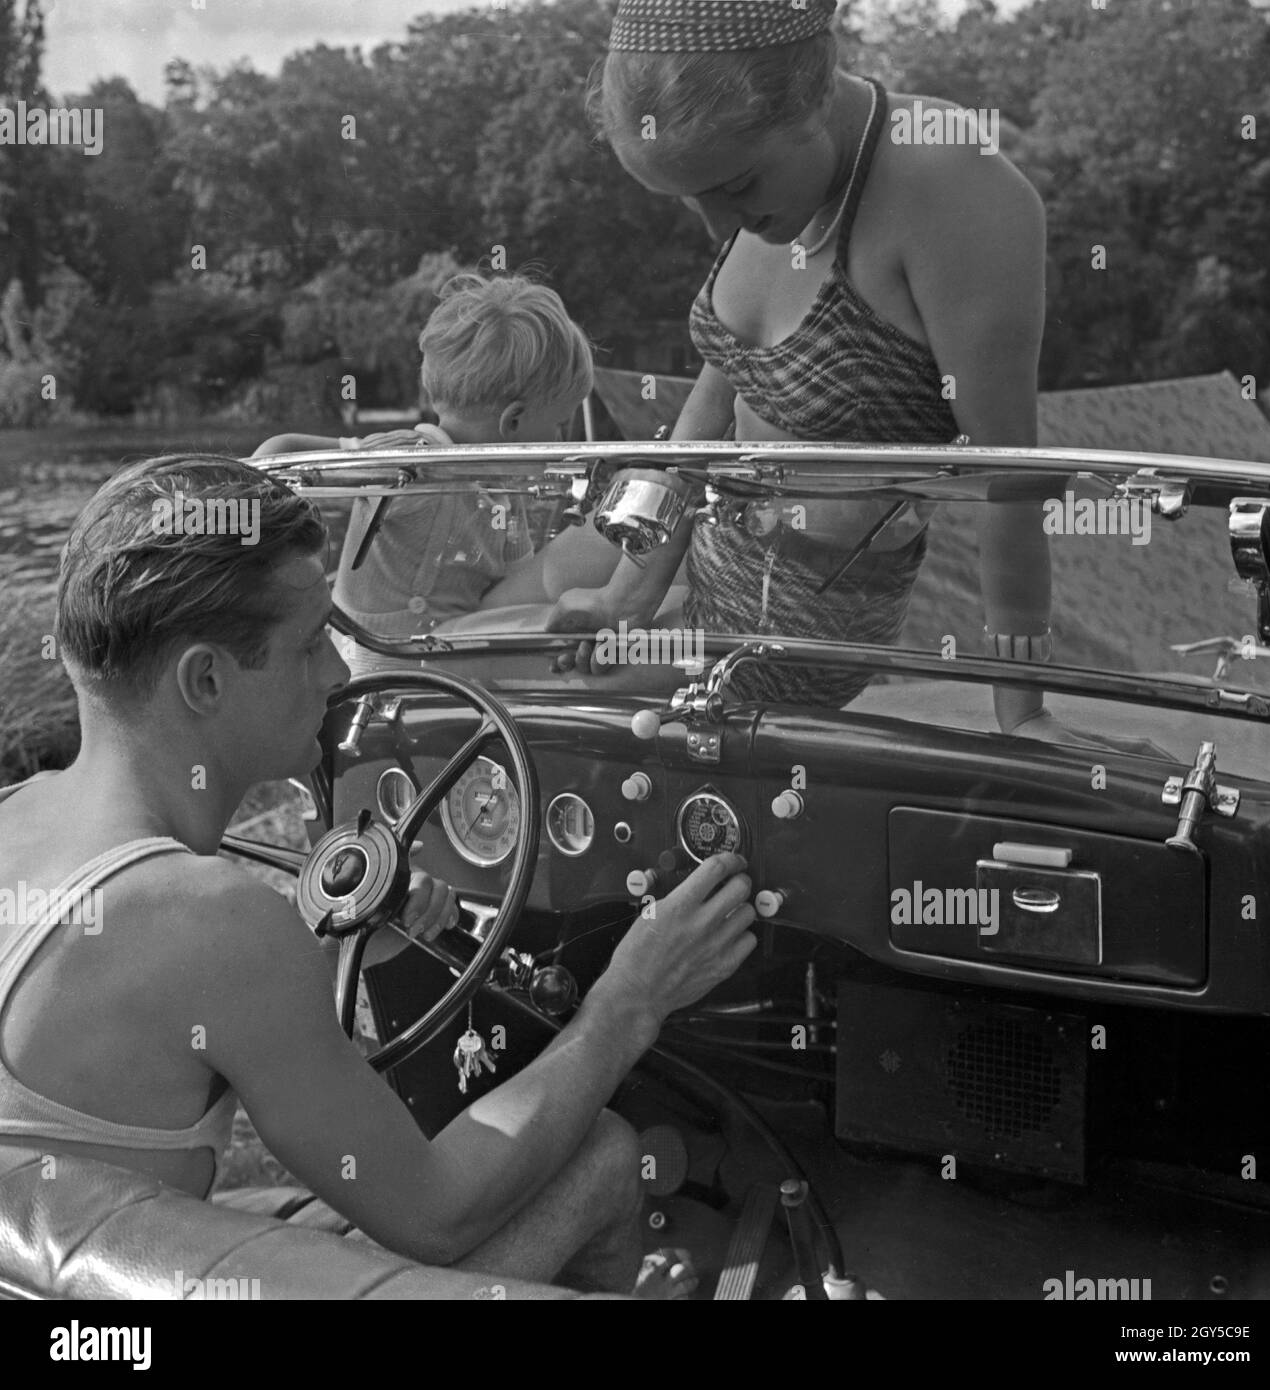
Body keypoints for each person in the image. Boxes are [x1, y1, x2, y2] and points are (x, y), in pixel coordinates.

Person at [0, 455, 757, 1296]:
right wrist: (633, 999)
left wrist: (317, 956)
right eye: (310, 641)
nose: (334, 672)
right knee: (607, 1158)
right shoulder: (209, 920)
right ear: (206, 679)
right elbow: (437, 1213)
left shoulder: (19, 818)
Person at [550, 0, 1067, 734]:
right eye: (690, 199)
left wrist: (1025, 717)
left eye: (734, 189)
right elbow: (705, 419)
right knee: (491, 609)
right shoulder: (772, 183)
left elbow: (1016, 476)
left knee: (474, 674)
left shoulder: (947, 179)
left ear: (814, 95)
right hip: (698, 565)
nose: (718, 227)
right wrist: (622, 597)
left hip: (788, 630)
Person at [255, 272, 621, 654]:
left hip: (452, 647)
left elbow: (522, 586)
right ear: (513, 420)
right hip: (386, 659)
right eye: (560, 425)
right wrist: (255, 524)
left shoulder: (503, 495)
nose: (562, 441)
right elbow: (284, 449)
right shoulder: (417, 461)